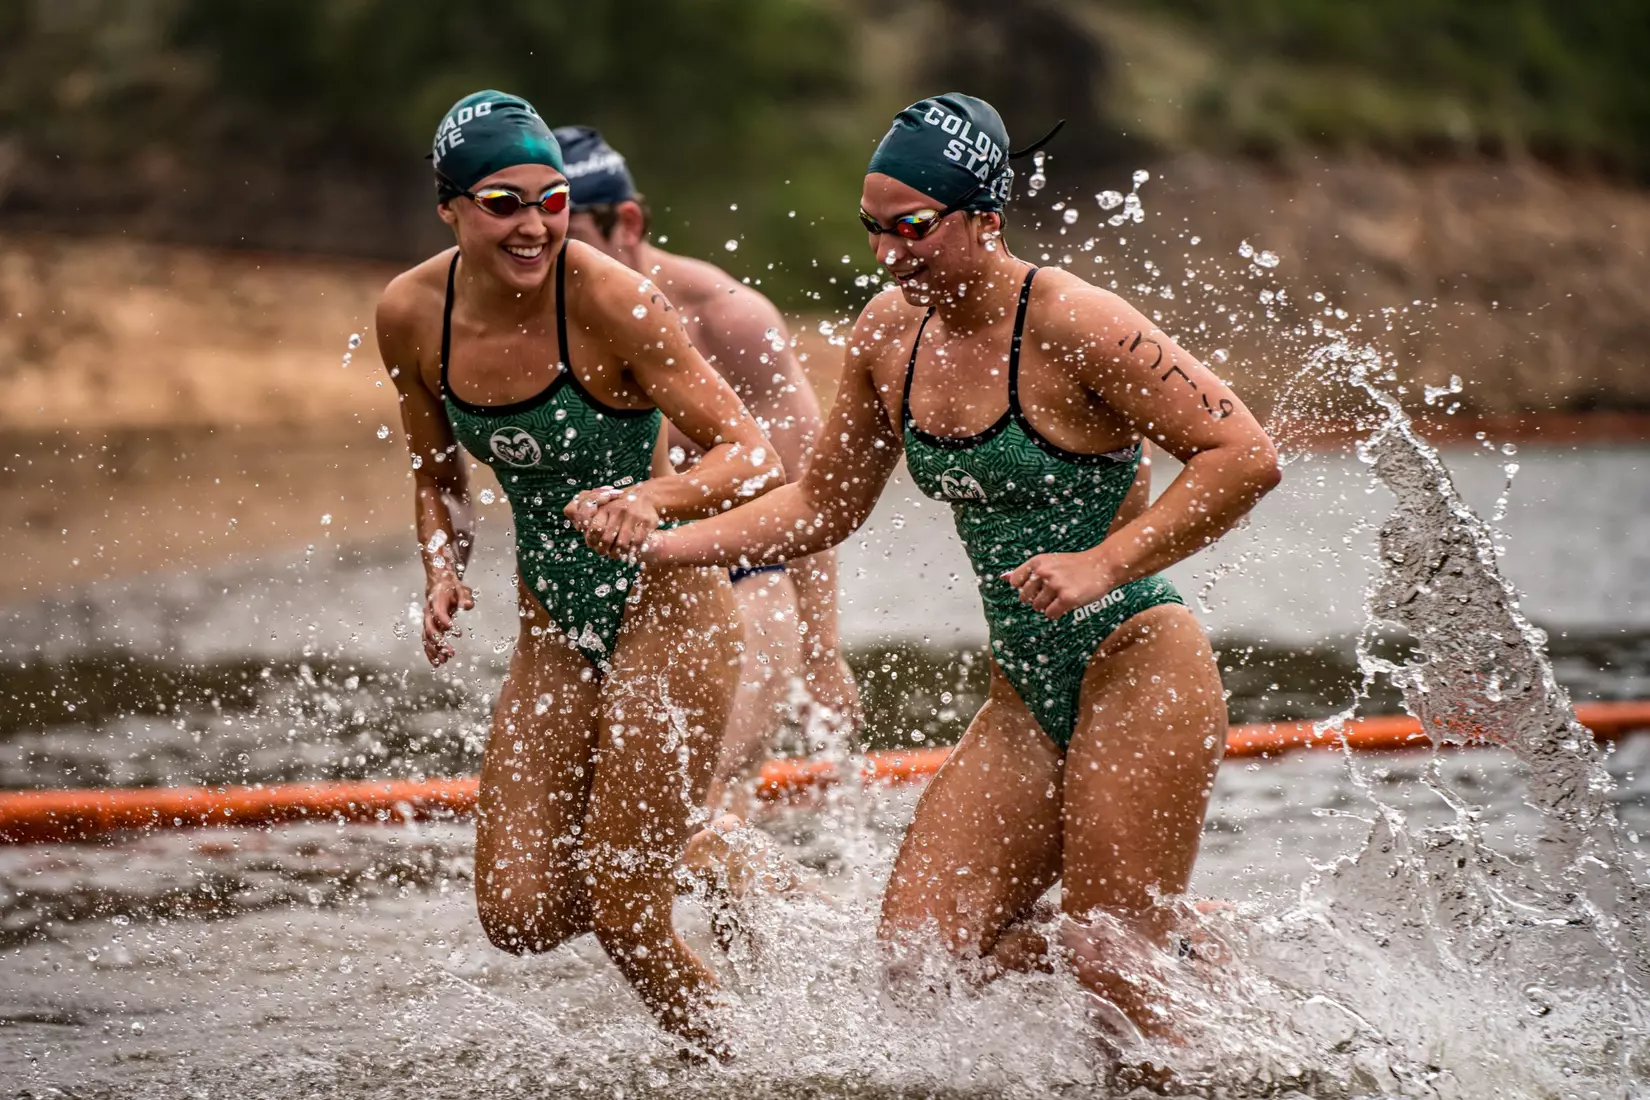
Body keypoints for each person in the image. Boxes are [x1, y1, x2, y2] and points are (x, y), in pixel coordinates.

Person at [589, 93, 1281, 1039]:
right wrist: (661, 538)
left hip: (1138, 662)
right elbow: (821, 505)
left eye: (913, 228)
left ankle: (1202, 1000)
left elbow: (1244, 456)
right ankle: (1192, 946)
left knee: (1115, 971)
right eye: (873, 229)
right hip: (1023, 693)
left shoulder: (1074, 319)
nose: (889, 253)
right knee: (921, 965)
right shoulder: (888, 334)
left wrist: (1103, 564)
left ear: (985, 217)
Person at [374, 90, 783, 1053]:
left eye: (552, 201)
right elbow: (437, 475)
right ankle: (713, 854)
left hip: (670, 615)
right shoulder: (410, 314)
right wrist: (441, 566)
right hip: (554, 625)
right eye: (503, 203)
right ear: (450, 208)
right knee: (519, 918)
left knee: (625, 913)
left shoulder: (611, 299)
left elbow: (750, 454)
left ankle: (745, 1069)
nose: (533, 226)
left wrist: (655, 498)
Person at [552, 125, 861, 815]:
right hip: (617, 581)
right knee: (603, 818)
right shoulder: (538, 319)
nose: (552, 262)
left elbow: (807, 495)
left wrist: (822, 653)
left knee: (703, 800)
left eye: (569, 240)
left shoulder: (729, 320)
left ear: (626, 224)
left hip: (745, 572)